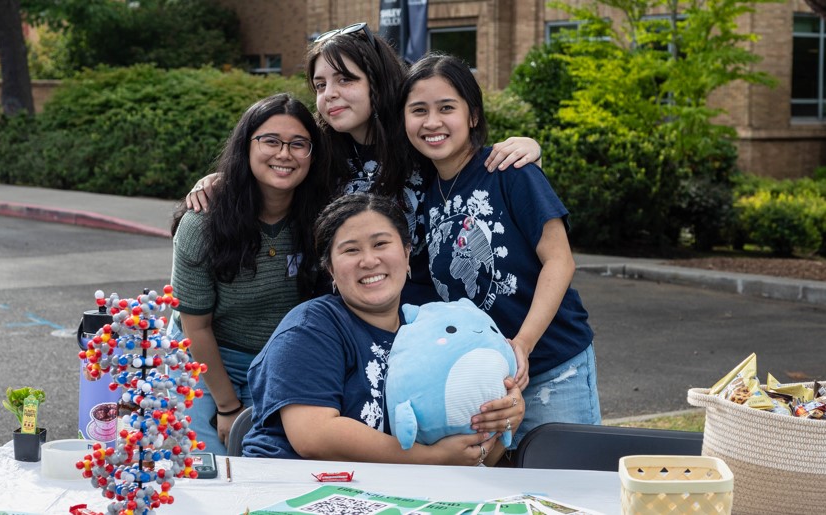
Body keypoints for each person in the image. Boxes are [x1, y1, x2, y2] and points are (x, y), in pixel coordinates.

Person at [186, 22, 543, 306]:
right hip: (340, 321)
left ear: (378, 81)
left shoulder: (419, 141)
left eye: (345, 79)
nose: (330, 94)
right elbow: (274, 168)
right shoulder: (320, 153)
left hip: (422, 327)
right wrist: (224, 178)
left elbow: (470, 158)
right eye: (320, 85)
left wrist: (528, 147)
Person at [400, 53, 601, 444]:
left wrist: (521, 345)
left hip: (551, 367)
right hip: (474, 380)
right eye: (418, 110)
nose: (432, 122)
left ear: (472, 115)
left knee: (566, 488)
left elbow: (560, 261)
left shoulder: (509, 169)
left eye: (447, 108)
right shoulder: (419, 193)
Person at [241, 194, 525, 465]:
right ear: (330, 269)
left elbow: (472, 457)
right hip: (290, 486)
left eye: (380, 244)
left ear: (406, 252)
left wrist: (505, 417)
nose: (368, 260)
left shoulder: (431, 329)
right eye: (351, 250)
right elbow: (312, 436)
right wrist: (431, 459)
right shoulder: (312, 326)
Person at [168, 93, 329, 455]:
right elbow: (196, 328)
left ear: (312, 155)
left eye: (298, 144)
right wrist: (227, 406)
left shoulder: (323, 218)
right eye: (270, 141)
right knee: (204, 468)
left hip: (280, 365)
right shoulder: (203, 223)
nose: (284, 154)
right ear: (247, 146)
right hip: (202, 360)